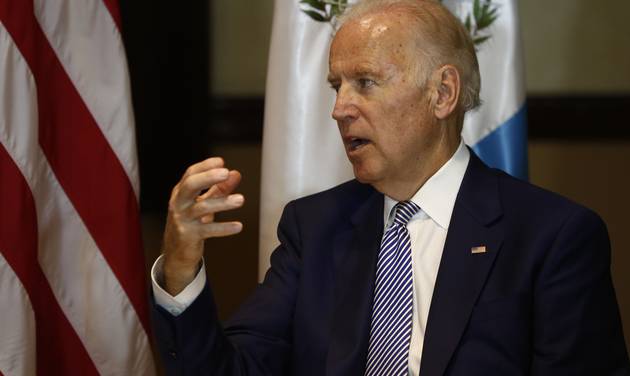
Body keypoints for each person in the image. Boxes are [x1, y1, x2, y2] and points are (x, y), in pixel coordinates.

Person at [151, 0, 630, 374]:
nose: (340, 109)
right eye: (336, 85)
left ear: (442, 94)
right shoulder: (314, 228)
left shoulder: (552, 236)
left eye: (365, 82)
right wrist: (179, 266)